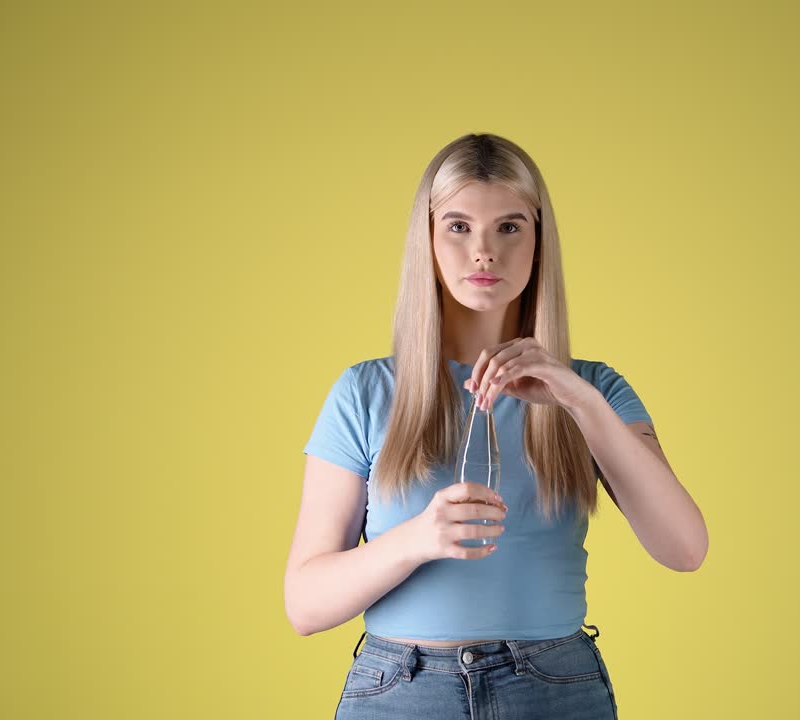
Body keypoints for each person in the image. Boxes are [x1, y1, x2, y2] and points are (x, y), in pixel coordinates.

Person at [285, 132, 708, 719]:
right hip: (400, 692)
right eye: (458, 226)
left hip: (555, 689)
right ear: (427, 240)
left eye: (509, 227)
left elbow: (685, 549)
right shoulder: (364, 392)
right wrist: (416, 539)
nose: (484, 252)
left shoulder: (596, 390)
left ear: (539, 241)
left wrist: (579, 402)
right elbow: (304, 606)